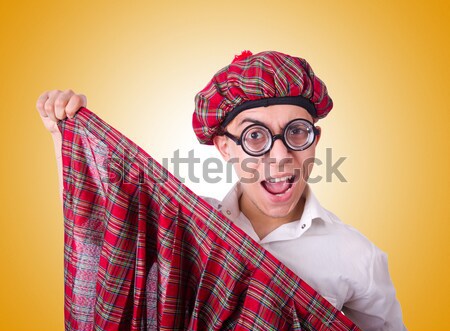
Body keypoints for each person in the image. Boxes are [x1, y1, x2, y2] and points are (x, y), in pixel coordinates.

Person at [36, 50, 406, 330]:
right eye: (255, 136)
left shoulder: (359, 256)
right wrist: (64, 137)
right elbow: (99, 241)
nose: (280, 156)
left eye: (297, 131)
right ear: (225, 147)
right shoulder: (182, 228)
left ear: (314, 139)